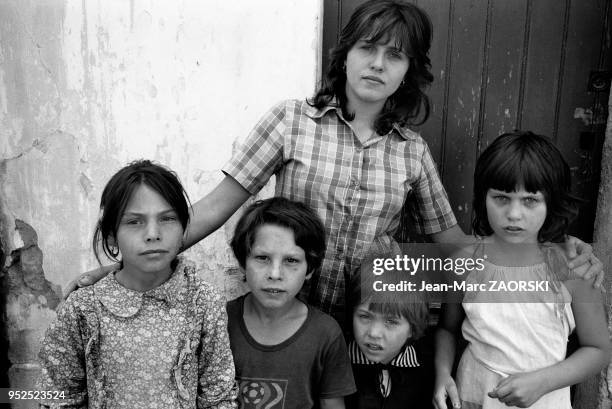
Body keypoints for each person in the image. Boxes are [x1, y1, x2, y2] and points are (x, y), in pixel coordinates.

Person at [67, 0, 602, 325]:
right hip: (280, 308)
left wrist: (553, 252)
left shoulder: (410, 152)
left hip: (364, 322)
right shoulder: (290, 122)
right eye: (368, 48)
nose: (378, 63)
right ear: (344, 53)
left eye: (395, 55)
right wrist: (121, 268)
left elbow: (454, 248)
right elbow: (213, 208)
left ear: (408, 71)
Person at [38, 160, 238, 408]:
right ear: (111, 234)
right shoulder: (83, 309)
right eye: (134, 221)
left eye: (167, 219)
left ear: (184, 227)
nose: (153, 233)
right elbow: (57, 397)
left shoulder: (202, 302)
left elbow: (219, 397)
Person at [432, 132, 610, 409]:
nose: (514, 214)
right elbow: (447, 328)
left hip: (546, 400)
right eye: (501, 198)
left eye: (530, 200)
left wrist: (543, 381)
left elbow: (599, 349)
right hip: (473, 396)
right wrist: (442, 375)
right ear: (483, 198)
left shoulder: (574, 267)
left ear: (552, 202)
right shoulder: (464, 262)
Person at [226, 197, 356, 408]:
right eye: (262, 258)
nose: (275, 274)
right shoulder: (219, 323)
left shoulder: (325, 333)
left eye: (291, 261)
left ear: (310, 269)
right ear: (242, 262)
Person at [345, 255, 434, 408]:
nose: (374, 333)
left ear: (412, 328)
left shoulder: (426, 370)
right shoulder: (337, 363)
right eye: (365, 316)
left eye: (391, 322)